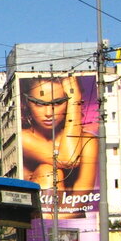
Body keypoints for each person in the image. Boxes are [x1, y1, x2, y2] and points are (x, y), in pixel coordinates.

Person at [20, 77, 97, 215]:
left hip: (72, 223)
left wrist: (74, 101)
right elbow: (68, 160)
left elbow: (80, 201)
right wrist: (75, 101)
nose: (49, 113)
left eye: (58, 102)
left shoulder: (88, 141)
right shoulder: (23, 138)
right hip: (32, 222)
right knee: (49, 171)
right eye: (39, 103)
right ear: (27, 102)